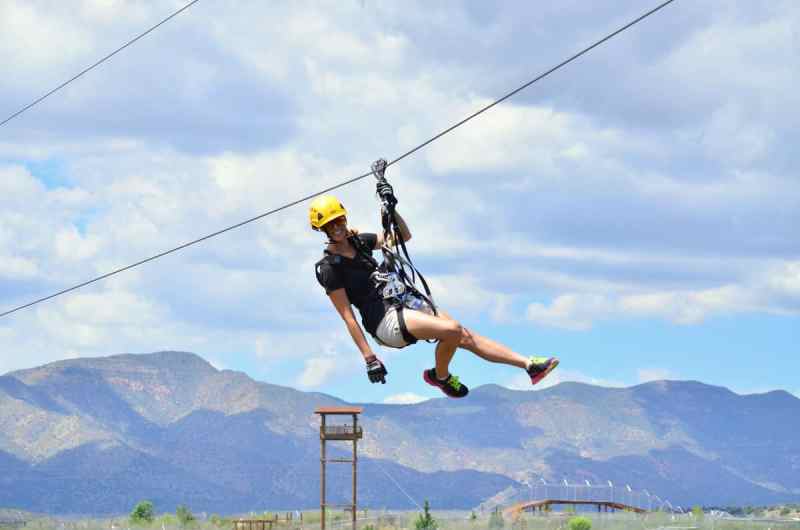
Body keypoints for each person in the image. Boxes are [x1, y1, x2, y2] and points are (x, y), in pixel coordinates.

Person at [311, 193, 558, 398]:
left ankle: (529, 365)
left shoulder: (360, 242)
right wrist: (369, 358)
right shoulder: (329, 268)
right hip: (383, 322)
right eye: (331, 225)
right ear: (323, 230)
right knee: (452, 329)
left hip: (403, 301)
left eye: (339, 221)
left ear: (345, 218)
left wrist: (391, 209)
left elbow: (402, 237)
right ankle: (440, 377)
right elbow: (348, 318)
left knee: (464, 336)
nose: (338, 227)